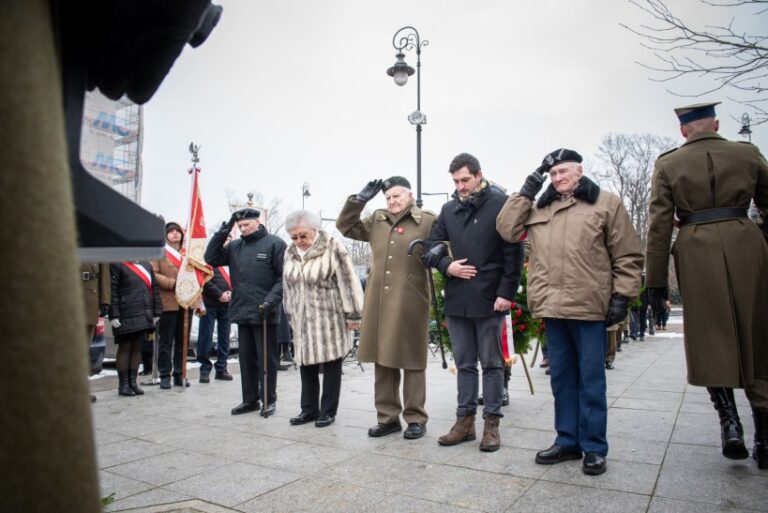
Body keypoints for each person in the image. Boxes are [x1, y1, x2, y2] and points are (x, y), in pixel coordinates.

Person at [497, 148, 643, 475]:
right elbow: (506, 228)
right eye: (552, 174)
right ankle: (567, 440)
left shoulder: (606, 204)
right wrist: (529, 188)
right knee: (562, 379)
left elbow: (627, 255)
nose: (558, 178)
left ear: (579, 171)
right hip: (552, 306)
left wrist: (622, 296)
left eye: (563, 171)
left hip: (589, 306)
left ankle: (594, 447)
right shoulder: (539, 208)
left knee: (591, 380)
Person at [645, 102, 768, 470]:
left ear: (683, 131)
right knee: (758, 336)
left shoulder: (669, 164)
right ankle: (764, 437)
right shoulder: (746, 154)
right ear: (716, 124)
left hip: (697, 251)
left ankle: (730, 423)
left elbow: (659, 225)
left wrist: (655, 282)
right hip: (747, 244)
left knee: (710, 336)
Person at [420, 153, 524, 452]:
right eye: (455, 181)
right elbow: (431, 245)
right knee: (464, 364)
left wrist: (507, 292)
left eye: (465, 179)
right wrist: (446, 265)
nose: (460, 186)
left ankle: (492, 424)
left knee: (492, 364)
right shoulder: (449, 208)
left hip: (491, 298)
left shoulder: (500, 204)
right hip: (458, 300)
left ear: (479, 175)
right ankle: (464, 423)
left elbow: (513, 253)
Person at [337, 176, 437, 440]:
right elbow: (345, 226)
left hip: (411, 299)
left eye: (397, 196)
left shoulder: (426, 220)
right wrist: (359, 201)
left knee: (413, 360)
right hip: (379, 300)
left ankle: (416, 417)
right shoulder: (377, 219)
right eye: (388, 197)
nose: (392, 202)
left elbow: (445, 246)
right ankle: (388, 417)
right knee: (383, 359)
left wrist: (439, 253)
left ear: (409, 196)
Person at [283, 210, 365, 427]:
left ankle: (328, 410)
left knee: (331, 364)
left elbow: (348, 281)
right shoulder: (289, 252)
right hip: (301, 319)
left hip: (329, 317)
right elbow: (287, 287)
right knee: (305, 364)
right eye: (294, 237)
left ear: (315, 230)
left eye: (303, 235)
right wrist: (290, 313)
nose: (298, 241)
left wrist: (354, 314)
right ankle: (308, 409)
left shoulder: (332, 246)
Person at [205, 207, 286, 417]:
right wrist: (222, 233)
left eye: (247, 225)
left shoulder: (275, 244)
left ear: (257, 222)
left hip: (265, 312)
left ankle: (269, 400)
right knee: (246, 359)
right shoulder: (234, 246)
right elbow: (211, 258)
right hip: (243, 310)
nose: (243, 229)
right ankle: (250, 399)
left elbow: (283, 278)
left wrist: (271, 300)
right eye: (240, 226)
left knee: (267, 360)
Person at [109, 261, 162, 397]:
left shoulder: (146, 266)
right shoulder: (117, 264)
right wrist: (113, 314)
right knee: (125, 347)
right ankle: (123, 385)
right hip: (125, 313)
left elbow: (154, 289)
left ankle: (133, 382)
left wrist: (156, 311)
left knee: (138, 347)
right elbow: (112, 290)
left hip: (143, 313)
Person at [152, 221, 190, 389]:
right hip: (168, 301)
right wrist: (172, 283)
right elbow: (153, 274)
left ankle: (179, 374)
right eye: (171, 231)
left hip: (185, 302)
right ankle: (165, 374)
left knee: (183, 341)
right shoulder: (159, 253)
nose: (175, 234)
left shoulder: (186, 255)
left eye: (178, 231)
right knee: (166, 341)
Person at [197, 265, 233, 383]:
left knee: (225, 337)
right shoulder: (209, 260)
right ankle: (204, 370)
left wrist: (230, 293)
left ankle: (221, 368)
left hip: (227, 304)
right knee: (205, 336)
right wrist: (219, 294)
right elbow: (205, 280)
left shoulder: (232, 260)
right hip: (210, 303)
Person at [80, 263, 110, 402]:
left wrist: (104, 300)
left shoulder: (95, 242)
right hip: (66, 300)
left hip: (90, 301)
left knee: (83, 351)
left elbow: (104, 270)